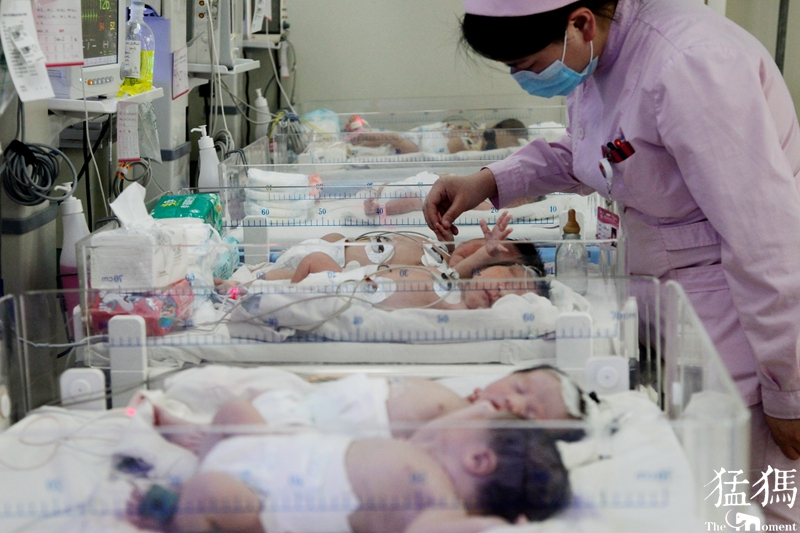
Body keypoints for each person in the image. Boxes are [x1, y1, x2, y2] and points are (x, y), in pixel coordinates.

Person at [422, 0, 800, 524]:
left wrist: (789, 391)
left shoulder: (691, 64)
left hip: (741, 321)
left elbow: (768, 241)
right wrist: (488, 180)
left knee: (753, 499)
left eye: (527, 66)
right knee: (707, 497)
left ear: (578, 22)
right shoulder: (604, 57)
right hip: (680, 306)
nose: (522, 79)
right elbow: (595, 153)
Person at [127, 401, 571, 533]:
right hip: (270, 452)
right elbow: (441, 430)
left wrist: (494, 526)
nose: (458, 422)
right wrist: (481, 414)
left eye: (474, 426)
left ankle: (176, 514)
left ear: (478, 460)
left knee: (207, 492)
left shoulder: (438, 504)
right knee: (234, 411)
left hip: (267, 503)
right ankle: (194, 457)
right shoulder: (422, 454)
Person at [143, 364, 587, 451]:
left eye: (530, 414)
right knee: (253, 401)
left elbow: (425, 443)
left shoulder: (472, 423)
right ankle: (205, 434)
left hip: (325, 436)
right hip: (317, 406)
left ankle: (199, 443)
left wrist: (477, 416)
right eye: (520, 386)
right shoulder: (457, 395)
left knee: (246, 428)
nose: (514, 400)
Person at [228, 212, 545, 284]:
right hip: (329, 247)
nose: (476, 249)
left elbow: (452, 274)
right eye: (481, 243)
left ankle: (242, 287)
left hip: (327, 268)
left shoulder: (442, 275)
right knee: (327, 242)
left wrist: (480, 255)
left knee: (272, 280)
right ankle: (255, 275)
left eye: (484, 257)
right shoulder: (442, 251)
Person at [347, 117, 529, 155]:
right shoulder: (474, 130)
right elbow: (450, 127)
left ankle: (360, 137)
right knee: (389, 142)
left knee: (393, 139)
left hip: (422, 149)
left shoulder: (478, 148)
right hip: (423, 138)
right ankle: (356, 141)